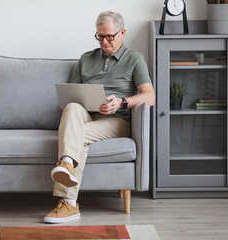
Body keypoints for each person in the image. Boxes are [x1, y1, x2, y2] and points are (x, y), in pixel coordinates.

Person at [43, 11, 155, 223]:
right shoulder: (86, 59)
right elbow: (72, 94)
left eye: (109, 37)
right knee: (73, 107)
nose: (104, 42)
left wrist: (122, 102)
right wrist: (83, 102)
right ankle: (66, 164)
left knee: (76, 137)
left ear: (122, 33)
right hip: (87, 115)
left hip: (117, 120)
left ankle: (68, 202)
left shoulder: (134, 59)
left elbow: (150, 97)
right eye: (100, 36)